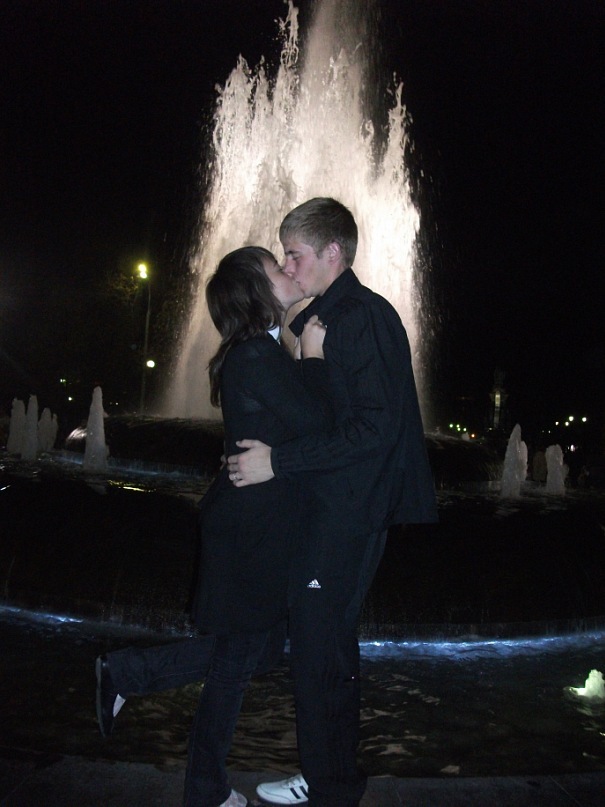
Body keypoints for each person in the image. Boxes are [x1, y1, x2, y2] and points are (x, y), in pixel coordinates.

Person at [95, 246, 333, 807]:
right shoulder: (257, 354)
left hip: (255, 523)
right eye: (276, 267)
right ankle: (203, 788)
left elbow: (289, 429)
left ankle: (127, 673)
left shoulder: (261, 351)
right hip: (252, 530)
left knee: (260, 649)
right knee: (237, 660)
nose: (288, 269)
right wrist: (315, 357)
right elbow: (320, 425)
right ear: (257, 291)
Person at [227, 198, 438, 807]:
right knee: (324, 644)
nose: (288, 267)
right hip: (332, 506)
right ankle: (329, 775)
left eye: (294, 255)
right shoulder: (329, 317)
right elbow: (331, 417)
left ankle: (331, 786)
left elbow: (375, 429)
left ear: (332, 253)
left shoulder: (360, 317)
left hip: (348, 511)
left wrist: (278, 462)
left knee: (321, 646)